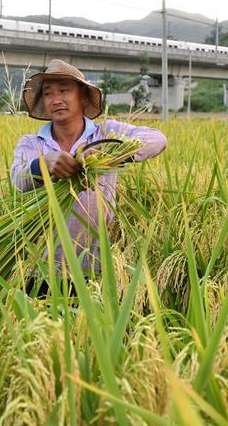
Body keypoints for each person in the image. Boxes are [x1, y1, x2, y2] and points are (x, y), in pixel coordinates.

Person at [10, 59, 167, 277]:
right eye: (48, 94)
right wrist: (42, 165)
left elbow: (157, 139)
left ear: (82, 96)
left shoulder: (106, 133)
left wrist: (111, 153)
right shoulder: (33, 143)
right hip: (42, 270)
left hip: (97, 266)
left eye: (64, 91)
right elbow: (18, 178)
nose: (56, 100)